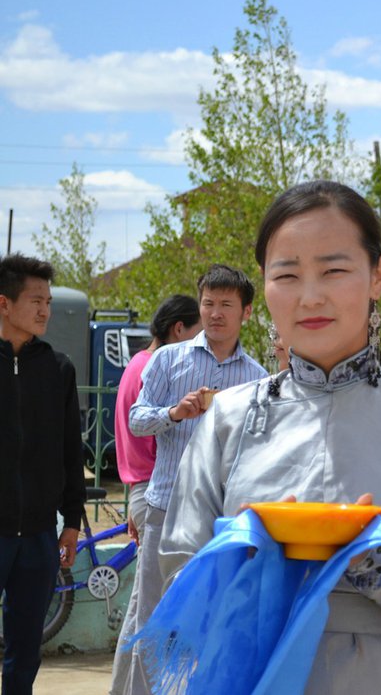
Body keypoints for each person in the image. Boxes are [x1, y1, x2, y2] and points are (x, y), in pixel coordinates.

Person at [159, 181, 381, 693]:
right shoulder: (228, 417)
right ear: (265, 285)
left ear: (378, 275)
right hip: (255, 674)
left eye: (334, 270)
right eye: (287, 274)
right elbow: (180, 574)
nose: (310, 296)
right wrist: (254, 562)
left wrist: (366, 557)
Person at [125, 264, 267, 695]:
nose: (215, 313)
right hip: (165, 507)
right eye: (208, 303)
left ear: (245, 312)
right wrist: (174, 413)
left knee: (215, 619)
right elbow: (136, 420)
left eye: (226, 304)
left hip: (222, 519)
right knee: (153, 618)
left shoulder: (258, 378)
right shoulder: (169, 359)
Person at [0, 253, 85, 695]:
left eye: (48, 302)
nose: (45, 311)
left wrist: (71, 520)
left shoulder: (58, 369)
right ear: (4, 304)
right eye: (36, 301)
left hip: (37, 536)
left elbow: (72, 450)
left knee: (25, 646)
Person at [108, 294, 200, 695]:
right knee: (153, 613)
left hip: (141, 490)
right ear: (179, 330)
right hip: (155, 492)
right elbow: (154, 441)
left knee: (140, 611)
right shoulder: (157, 366)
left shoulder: (136, 364)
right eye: (198, 334)